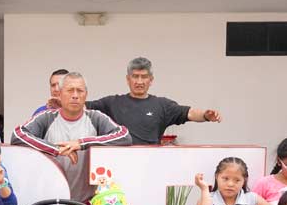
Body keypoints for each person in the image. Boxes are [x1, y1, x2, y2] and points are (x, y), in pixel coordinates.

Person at [12, 71, 131, 203]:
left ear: (86, 95)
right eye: (70, 90)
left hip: (86, 202)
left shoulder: (95, 117)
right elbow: (18, 135)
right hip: (51, 200)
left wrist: (81, 143)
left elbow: (124, 135)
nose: (75, 95)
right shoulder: (47, 117)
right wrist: (55, 149)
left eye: (80, 91)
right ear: (60, 94)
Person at [86, 57, 221, 144]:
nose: (139, 81)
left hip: (150, 163)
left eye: (144, 77)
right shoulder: (111, 103)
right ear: (128, 79)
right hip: (118, 163)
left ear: (151, 80)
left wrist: (206, 115)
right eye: (135, 76)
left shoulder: (163, 105)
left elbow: (188, 113)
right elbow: (82, 108)